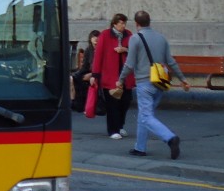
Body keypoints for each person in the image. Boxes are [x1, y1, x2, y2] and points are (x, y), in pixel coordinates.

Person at [112, 10, 190, 159]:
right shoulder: (161, 38)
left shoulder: (135, 38)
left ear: (136, 24)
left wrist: (121, 80)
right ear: (149, 22)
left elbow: (129, 64)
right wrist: (182, 79)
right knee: (144, 115)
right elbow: (171, 61)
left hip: (144, 83)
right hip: (160, 83)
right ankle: (140, 147)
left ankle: (170, 138)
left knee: (146, 116)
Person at [92, 13, 133, 139]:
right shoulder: (105, 34)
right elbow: (98, 55)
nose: (123, 25)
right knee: (112, 103)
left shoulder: (129, 35)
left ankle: (120, 125)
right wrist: (95, 74)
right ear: (114, 24)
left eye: (124, 23)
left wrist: (125, 50)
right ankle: (113, 129)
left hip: (125, 75)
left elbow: (134, 50)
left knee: (125, 101)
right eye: (121, 23)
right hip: (110, 74)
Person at [71, 30, 100, 116]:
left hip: (97, 73)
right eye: (93, 37)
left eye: (97, 37)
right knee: (72, 79)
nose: (95, 39)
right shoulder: (88, 49)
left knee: (89, 79)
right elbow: (84, 66)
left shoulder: (101, 50)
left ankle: (89, 105)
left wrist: (93, 75)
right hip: (88, 71)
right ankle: (74, 103)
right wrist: (78, 74)